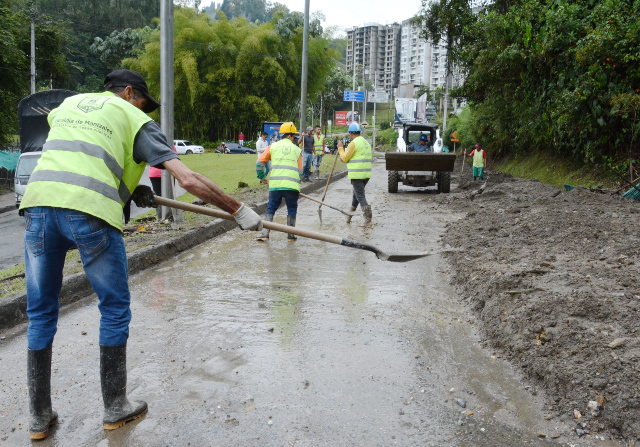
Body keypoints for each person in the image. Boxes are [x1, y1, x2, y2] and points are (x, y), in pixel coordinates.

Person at [18, 69, 262, 440]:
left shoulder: (67, 106)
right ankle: (115, 408)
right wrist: (238, 210)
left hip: (37, 206)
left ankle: (38, 419)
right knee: (114, 308)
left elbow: (83, 153)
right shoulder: (133, 116)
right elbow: (188, 179)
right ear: (130, 93)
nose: (147, 113)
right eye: (145, 104)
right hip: (89, 211)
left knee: (40, 313)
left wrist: (131, 190)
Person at [255, 122, 302, 242]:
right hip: (292, 186)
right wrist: (296, 184)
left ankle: (265, 234)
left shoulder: (272, 147)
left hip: (275, 186)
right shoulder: (297, 150)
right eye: (294, 137)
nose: (294, 139)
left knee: (270, 208)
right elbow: (300, 171)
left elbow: (259, 163)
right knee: (292, 209)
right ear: (290, 136)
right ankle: (290, 236)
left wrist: (262, 177)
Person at [338, 122, 373, 225]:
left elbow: (345, 157)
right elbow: (356, 157)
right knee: (356, 197)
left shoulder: (354, 143)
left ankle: (368, 219)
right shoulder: (366, 143)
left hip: (357, 175)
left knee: (360, 196)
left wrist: (340, 148)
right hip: (366, 175)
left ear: (352, 133)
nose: (349, 135)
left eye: (349, 133)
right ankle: (349, 217)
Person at [149, 142, 178, 220]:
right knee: (169, 196)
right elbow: (175, 157)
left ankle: (161, 217)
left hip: (154, 173)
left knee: (158, 197)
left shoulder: (152, 141)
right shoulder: (169, 141)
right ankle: (169, 217)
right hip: (167, 172)